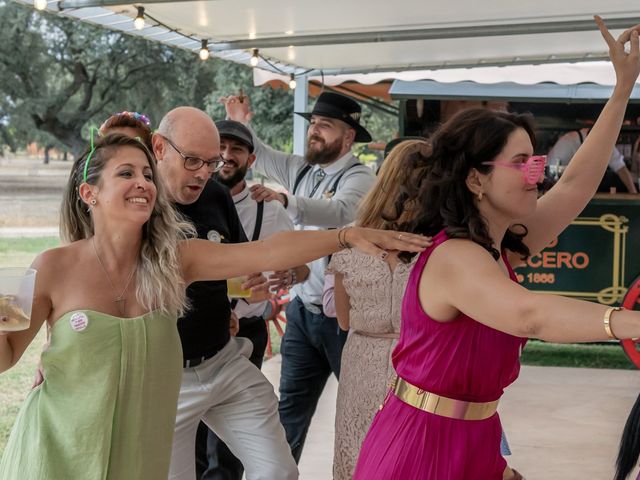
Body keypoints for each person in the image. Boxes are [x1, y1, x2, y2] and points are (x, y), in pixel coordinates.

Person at [0, 132, 429, 480]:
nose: (143, 183)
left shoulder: (176, 260)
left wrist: (345, 236)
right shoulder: (52, 268)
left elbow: (268, 251)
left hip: (137, 455)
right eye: (126, 173)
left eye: (148, 174)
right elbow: (7, 354)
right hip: (59, 450)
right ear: (89, 193)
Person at [353, 17, 640, 480]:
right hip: (422, 449)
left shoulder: (496, 247)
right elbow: (530, 315)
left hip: (475, 438)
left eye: (537, 163)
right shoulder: (454, 257)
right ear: (475, 178)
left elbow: (573, 188)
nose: (537, 176)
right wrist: (630, 323)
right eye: (522, 165)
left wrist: (622, 89)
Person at [224, 91, 376, 462]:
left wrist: (286, 201)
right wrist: (241, 120)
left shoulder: (361, 177)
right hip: (302, 314)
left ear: (349, 136)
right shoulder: (302, 169)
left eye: (324, 126)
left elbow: (339, 213)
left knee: (361, 414)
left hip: (345, 320)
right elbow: (257, 152)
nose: (314, 132)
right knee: (288, 412)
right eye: (313, 125)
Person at [195, 119, 309, 480]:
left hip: (246, 331)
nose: (227, 156)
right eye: (221, 149)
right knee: (191, 441)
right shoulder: (190, 200)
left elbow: (302, 269)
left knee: (228, 447)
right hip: (194, 335)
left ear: (251, 159)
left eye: (236, 149)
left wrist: (286, 276)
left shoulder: (268, 209)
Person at [327, 139, 428, 479]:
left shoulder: (351, 244)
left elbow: (342, 319)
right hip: (418, 363)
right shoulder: (441, 250)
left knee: (356, 452)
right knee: (411, 458)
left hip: (361, 359)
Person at [548, 127, 638, 193]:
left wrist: (633, 193)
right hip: (558, 190)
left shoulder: (605, 141)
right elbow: (550, 173)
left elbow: (621, 168)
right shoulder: (568, 143)